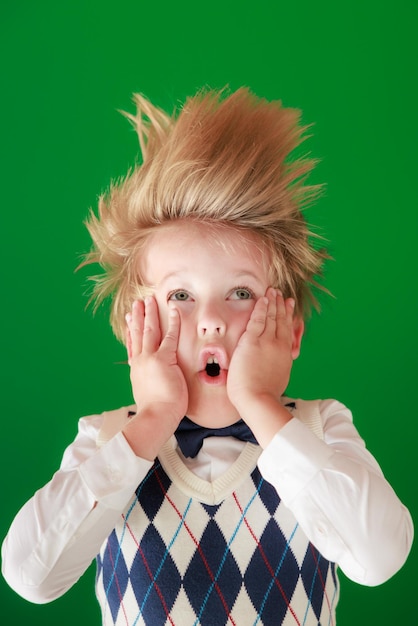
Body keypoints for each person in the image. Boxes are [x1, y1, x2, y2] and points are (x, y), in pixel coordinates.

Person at [1, 87, 413, 625]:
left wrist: (263, 406)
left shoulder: (319, 429)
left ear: (289, 332)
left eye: (240, 293)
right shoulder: (106, 443)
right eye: (180, 296)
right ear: (137, 334)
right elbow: (30, 576)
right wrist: (149, 423)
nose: (211, 318)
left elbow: (380, 557)